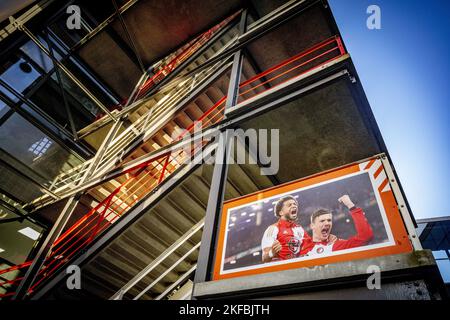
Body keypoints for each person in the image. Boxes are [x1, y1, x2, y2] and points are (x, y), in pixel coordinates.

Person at [300, 195, 374, 257]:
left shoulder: (335, 246)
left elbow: (365, 236)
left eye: (329, 220)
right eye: (322, 221)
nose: (327, 223)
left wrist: (351, 206)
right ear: (312, 226)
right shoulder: (300, 246)